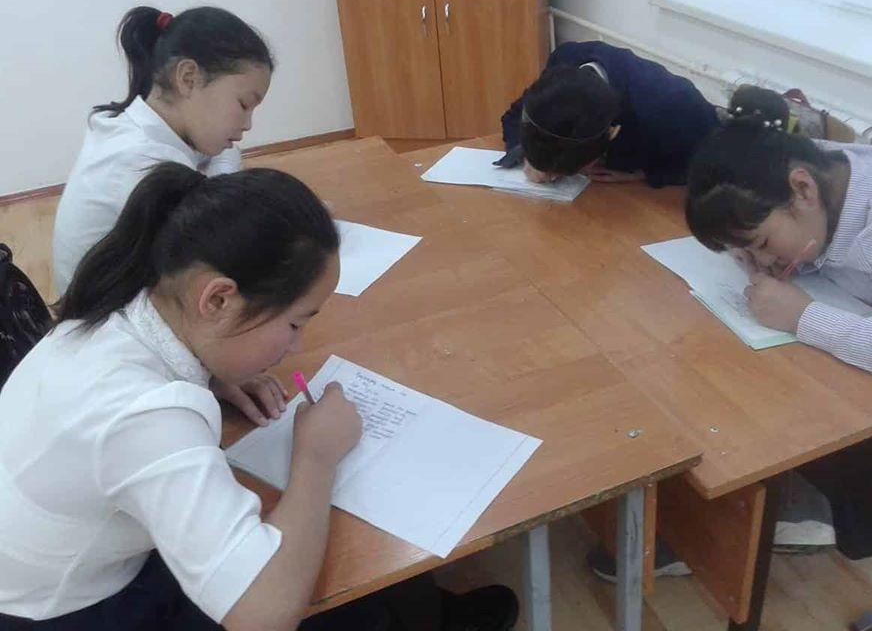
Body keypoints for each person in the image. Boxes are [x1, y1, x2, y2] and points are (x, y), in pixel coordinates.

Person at [0, 163, 518, 630]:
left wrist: (214, 369)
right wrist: (315, 456)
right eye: (294, 323)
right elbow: (262, 615)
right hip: (71, 610)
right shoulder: (148, 415)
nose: (297, 346)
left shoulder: (129, 300)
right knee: (336, 589)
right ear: (218, 299)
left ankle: (423, 611)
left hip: (64, 563)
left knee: (329, 552)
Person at [684, 116, 872, 558]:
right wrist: (750, 250)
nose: (760, 261)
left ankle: (813, 508)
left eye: (762, 243)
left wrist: (805, 317)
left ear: (803, 189)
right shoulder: (806, 169)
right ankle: (752, 496)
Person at [52, 5, 272, 296]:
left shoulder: (139, 124)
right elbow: (221, 241)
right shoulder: (143, 161)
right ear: (188, 78)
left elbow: (225, 155)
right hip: (106, 311)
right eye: (243, 105)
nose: (247, 125)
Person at [498, 41, 718, 186]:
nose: (553, 179)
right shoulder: (565, 62)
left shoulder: (671, 104)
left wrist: (646, 174)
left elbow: (716, 164)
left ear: (612, 133)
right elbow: (515, 115)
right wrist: (532, 156)